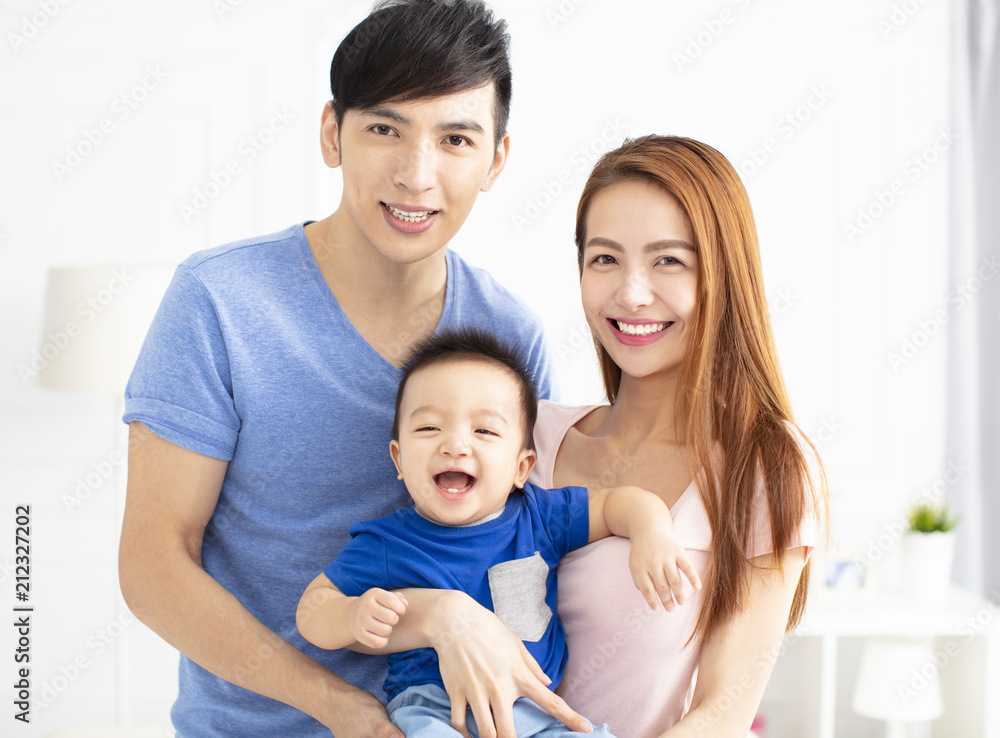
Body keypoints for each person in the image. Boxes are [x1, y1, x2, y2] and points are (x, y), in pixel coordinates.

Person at [116, 2, 579, 736]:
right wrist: (340, 708)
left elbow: (526, 544)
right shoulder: (220, 300)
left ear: (496, 160)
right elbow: (153, 567)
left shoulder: (510, 333)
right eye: (384, 128)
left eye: (455, 138)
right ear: (333, 134)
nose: (416, 175)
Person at [387, 135, 829, 737]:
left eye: (668, 259)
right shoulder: (524, 437)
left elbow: (721, 715)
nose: (631, 292)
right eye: (605, 259)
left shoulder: (767, 465)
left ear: (724, 273)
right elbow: (400, 578)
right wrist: (442, 615)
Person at [296, 328, 701, 737]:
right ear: (399, 460)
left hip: (535, 711)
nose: (455, 445)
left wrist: (653, 533)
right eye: (429, 429)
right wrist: (351, 615)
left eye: (484, 431)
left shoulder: (540, 517)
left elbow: (620, 502)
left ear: (522, 468)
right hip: (435, 710)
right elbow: (312, 608)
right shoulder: (388, 543)